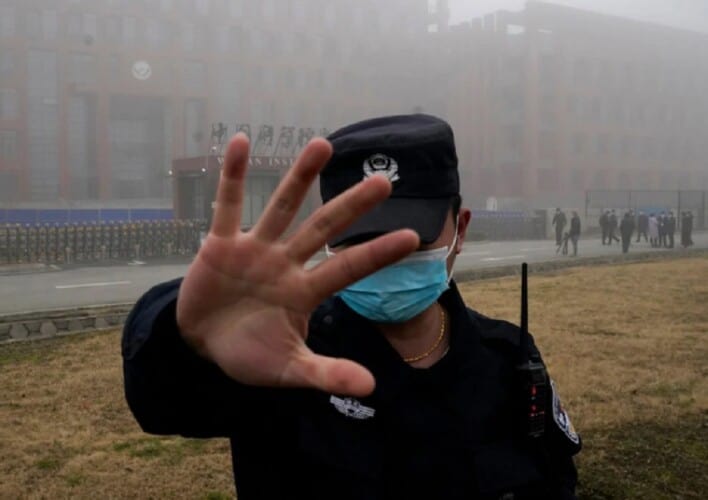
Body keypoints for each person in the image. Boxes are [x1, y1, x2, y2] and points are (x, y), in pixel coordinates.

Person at [122, 115, 581, 499]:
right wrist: (187, 337)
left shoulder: (506, 357)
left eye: (411, 235)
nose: (383, 255)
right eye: (361, 235)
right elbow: (163, 403)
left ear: (460, 228)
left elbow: (555, 481)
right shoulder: (283, 359)